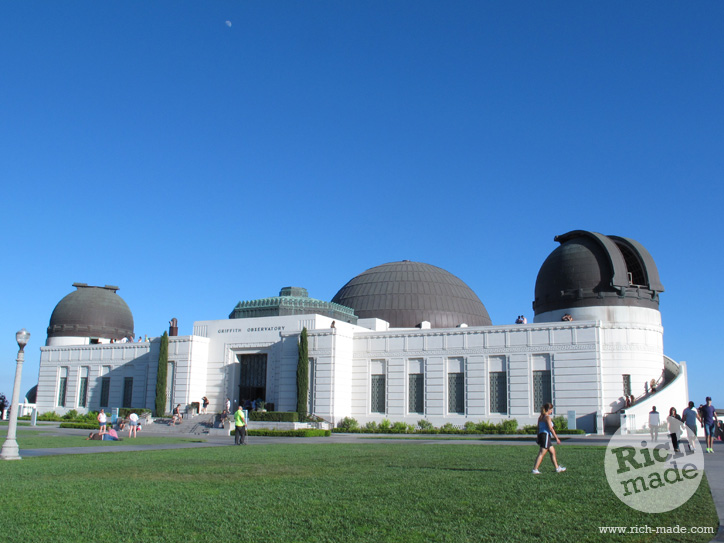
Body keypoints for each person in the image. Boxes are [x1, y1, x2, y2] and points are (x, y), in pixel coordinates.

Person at [532, 403, 566, 474]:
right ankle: (535, 469)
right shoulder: (547, 417)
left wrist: (538, 437)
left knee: (552, 452)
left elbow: (538, 428)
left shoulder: (540, 417)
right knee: (541, 453)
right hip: (546, 436)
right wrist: (557, 438)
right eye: (551, 409)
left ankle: (557, 468)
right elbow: (550, 428)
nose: (552, 411)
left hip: (542, 436)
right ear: (548, 410)